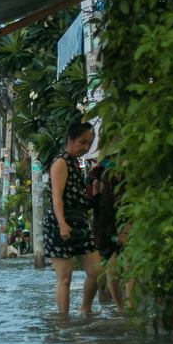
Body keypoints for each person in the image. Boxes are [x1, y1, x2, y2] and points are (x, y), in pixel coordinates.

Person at [44, 121, 102, 314]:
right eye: (82, 142)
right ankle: (63, 322)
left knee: (97, 272)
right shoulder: (60, 162)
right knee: (65, 278)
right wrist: (62, 224)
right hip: (59, 224)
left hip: (80, 224)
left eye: (89, 143)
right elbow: (56, 196)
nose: (85, 148)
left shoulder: (78, 164)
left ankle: (85, 309)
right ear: (70, 139)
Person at [86, 155, 133, 310]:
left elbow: (133, 200)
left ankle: (130, 305)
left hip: (126, 222)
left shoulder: (128, 171)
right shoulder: (94, 174)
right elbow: (87, 203)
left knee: (129, 263)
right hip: (103, 225)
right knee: (110, 268)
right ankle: (120, 309)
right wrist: (94, 192)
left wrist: (127, 228)